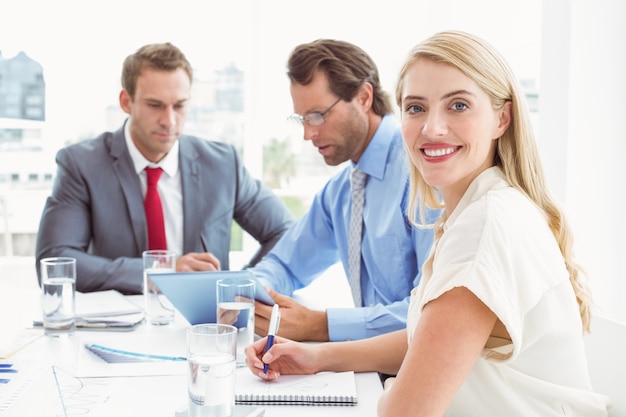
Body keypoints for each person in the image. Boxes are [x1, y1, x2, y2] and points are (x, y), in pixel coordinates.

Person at [244, 31, 611, 416]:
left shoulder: (485, 227)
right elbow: (431, 340)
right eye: (416, 108)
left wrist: (321, 332)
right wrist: (319, 358)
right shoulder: (474, 207)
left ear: (502, 118)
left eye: (458, 105)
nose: (432, 128)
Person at [35, 42, 294, 295]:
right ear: (126, 101)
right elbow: (56, 260)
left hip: (206, 327)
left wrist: (242, 287)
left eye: (180, 106)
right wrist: (162, 272)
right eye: (155, 105)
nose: (169, 121)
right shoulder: (81, 164)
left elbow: (285, 233)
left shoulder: (223, 164)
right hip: (122, 328)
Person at [250, 39, 438, 342]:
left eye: (317, 116)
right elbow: (286, 264)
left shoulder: (423, 173)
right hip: (368, 367)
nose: (308, 133)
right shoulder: (340, 193)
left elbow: (432, 313)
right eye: (302, 119)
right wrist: (252, 292)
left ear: (363, 97)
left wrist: (320, 325)